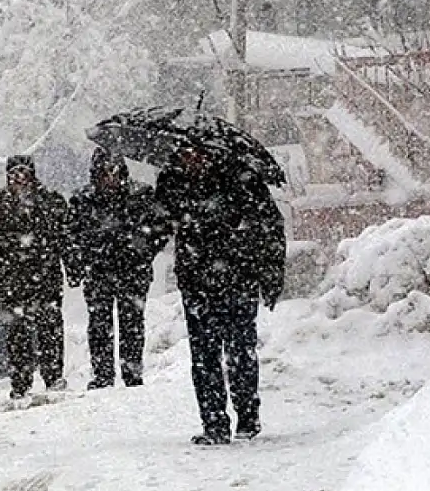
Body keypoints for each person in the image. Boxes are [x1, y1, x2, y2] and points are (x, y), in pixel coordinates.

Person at [155, 146, 285, 445]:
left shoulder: (240, 178)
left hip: (238, 279)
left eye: (196, 153)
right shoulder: (172, 181)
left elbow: (269, 226)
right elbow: (158, 225)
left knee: (240, 351)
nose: (192, 158)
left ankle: (247, 418)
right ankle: (214, 423)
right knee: (204, 357)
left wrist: (270, 274)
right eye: (186, 153)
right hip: (197, 283)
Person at [0, 155, 70, 400]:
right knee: (18, 333)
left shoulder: (51, 203)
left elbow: (66, 238)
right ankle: (21, 381)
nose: (20, 179)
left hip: (45, 277)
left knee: (50, 328)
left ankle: (53, 375)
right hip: (12, 279)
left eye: (24, 173)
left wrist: (74, 267)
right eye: (15, 173)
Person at [66, 148, 167, 390]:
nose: (109, 178)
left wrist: (143, 252)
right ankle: (102, 374)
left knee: (131, 323)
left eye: (113, 171)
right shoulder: (82, 200)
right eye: (103, 172)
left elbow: (159, 229)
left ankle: (131, 373)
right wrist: (78, 264)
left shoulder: (141, 196)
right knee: (99, 324)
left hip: (132, 271)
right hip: (98, 271)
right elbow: (71, 237)